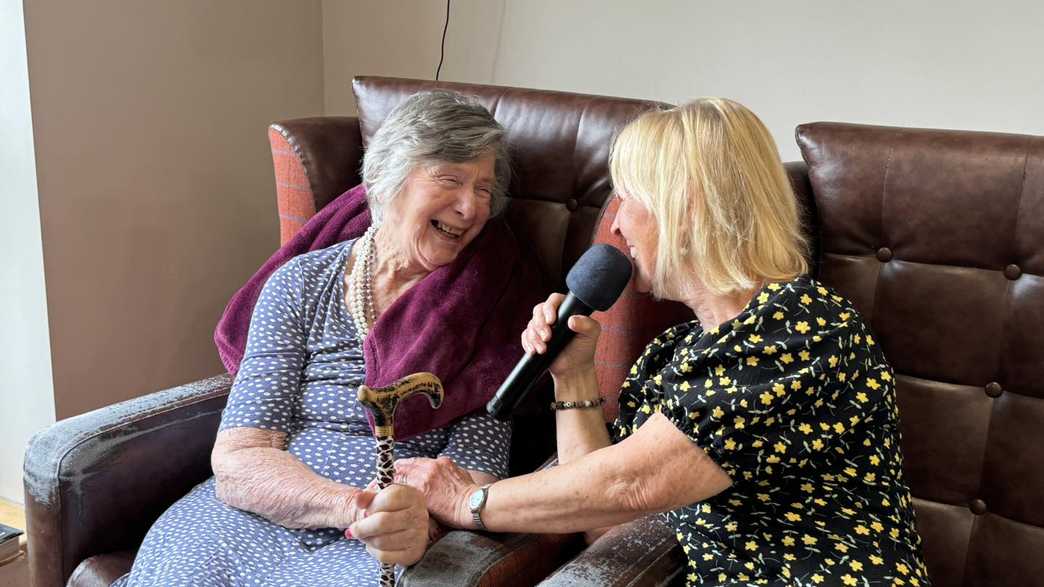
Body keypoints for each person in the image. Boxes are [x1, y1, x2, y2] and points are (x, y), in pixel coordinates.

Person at [394, 98, 932, 586]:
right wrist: (574, 374)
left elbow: (628, 485)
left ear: (685, 202)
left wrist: (470, 501)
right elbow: (605, 516)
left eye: (628, 197)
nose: (618, 224)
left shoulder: (799, 329)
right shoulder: (674, 355)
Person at [114, 91, 536, 586]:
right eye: (450, 179)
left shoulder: (491, 311)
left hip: (387, 539)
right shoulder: (302, 284)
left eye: (484, 190)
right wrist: (349, 505)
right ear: (386, 178)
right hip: (259, 509)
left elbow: (475, 482)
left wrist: (412, 521)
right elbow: (241, 456)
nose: (470, 207)